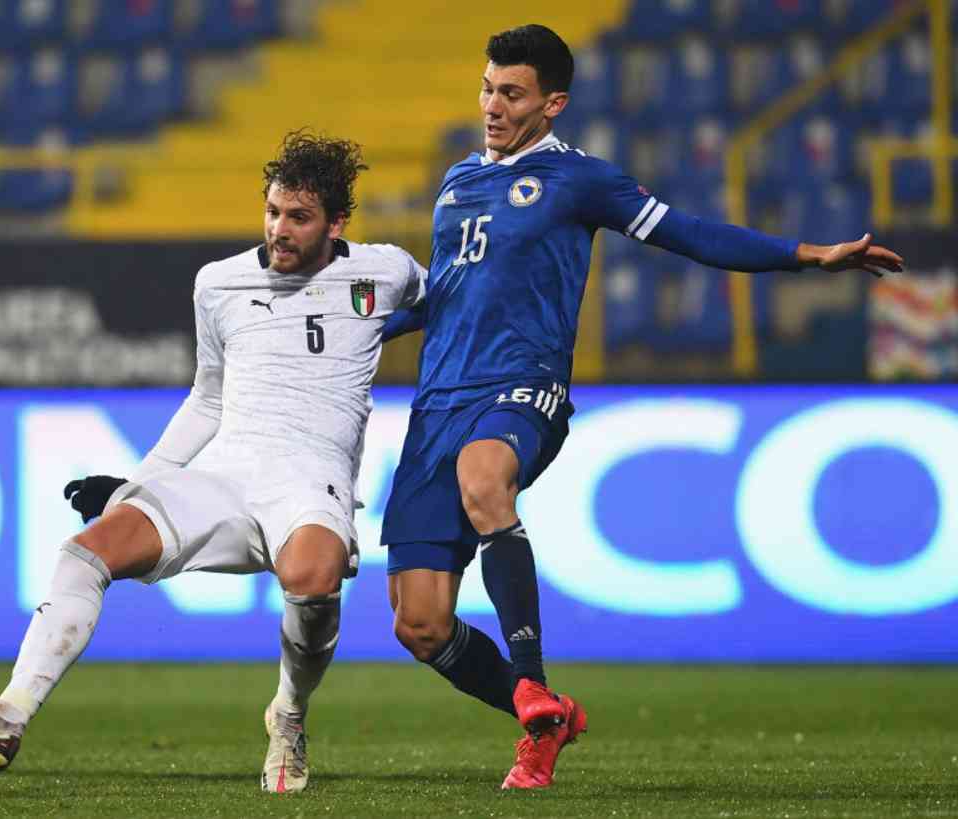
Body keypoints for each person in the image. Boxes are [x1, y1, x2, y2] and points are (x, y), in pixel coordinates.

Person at [379, 23, 904, 790]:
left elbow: (689, 234)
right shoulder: (458, 181)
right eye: (488, 87)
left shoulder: (582, 180)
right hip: (438, 401)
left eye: (512, 93)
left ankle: (530, 679)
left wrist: (807, 255)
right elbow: (449, 292)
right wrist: (363, 322)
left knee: (485, 480)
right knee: (419, 624)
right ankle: (546, 715)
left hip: (521, 385)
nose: (492, 105)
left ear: (552, 104)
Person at [0, 131, 427, 794]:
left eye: (299, 217)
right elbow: (207, 399)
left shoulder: (386, 270)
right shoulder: (219, 283)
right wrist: (137, 484)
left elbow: (446, 309)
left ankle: (288, 715)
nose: (279, 230)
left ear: (337, 223)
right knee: (86, 551)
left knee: (315, 580)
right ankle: (8, 713)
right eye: (272, 212)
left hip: (310, 480)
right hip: (226, 474)